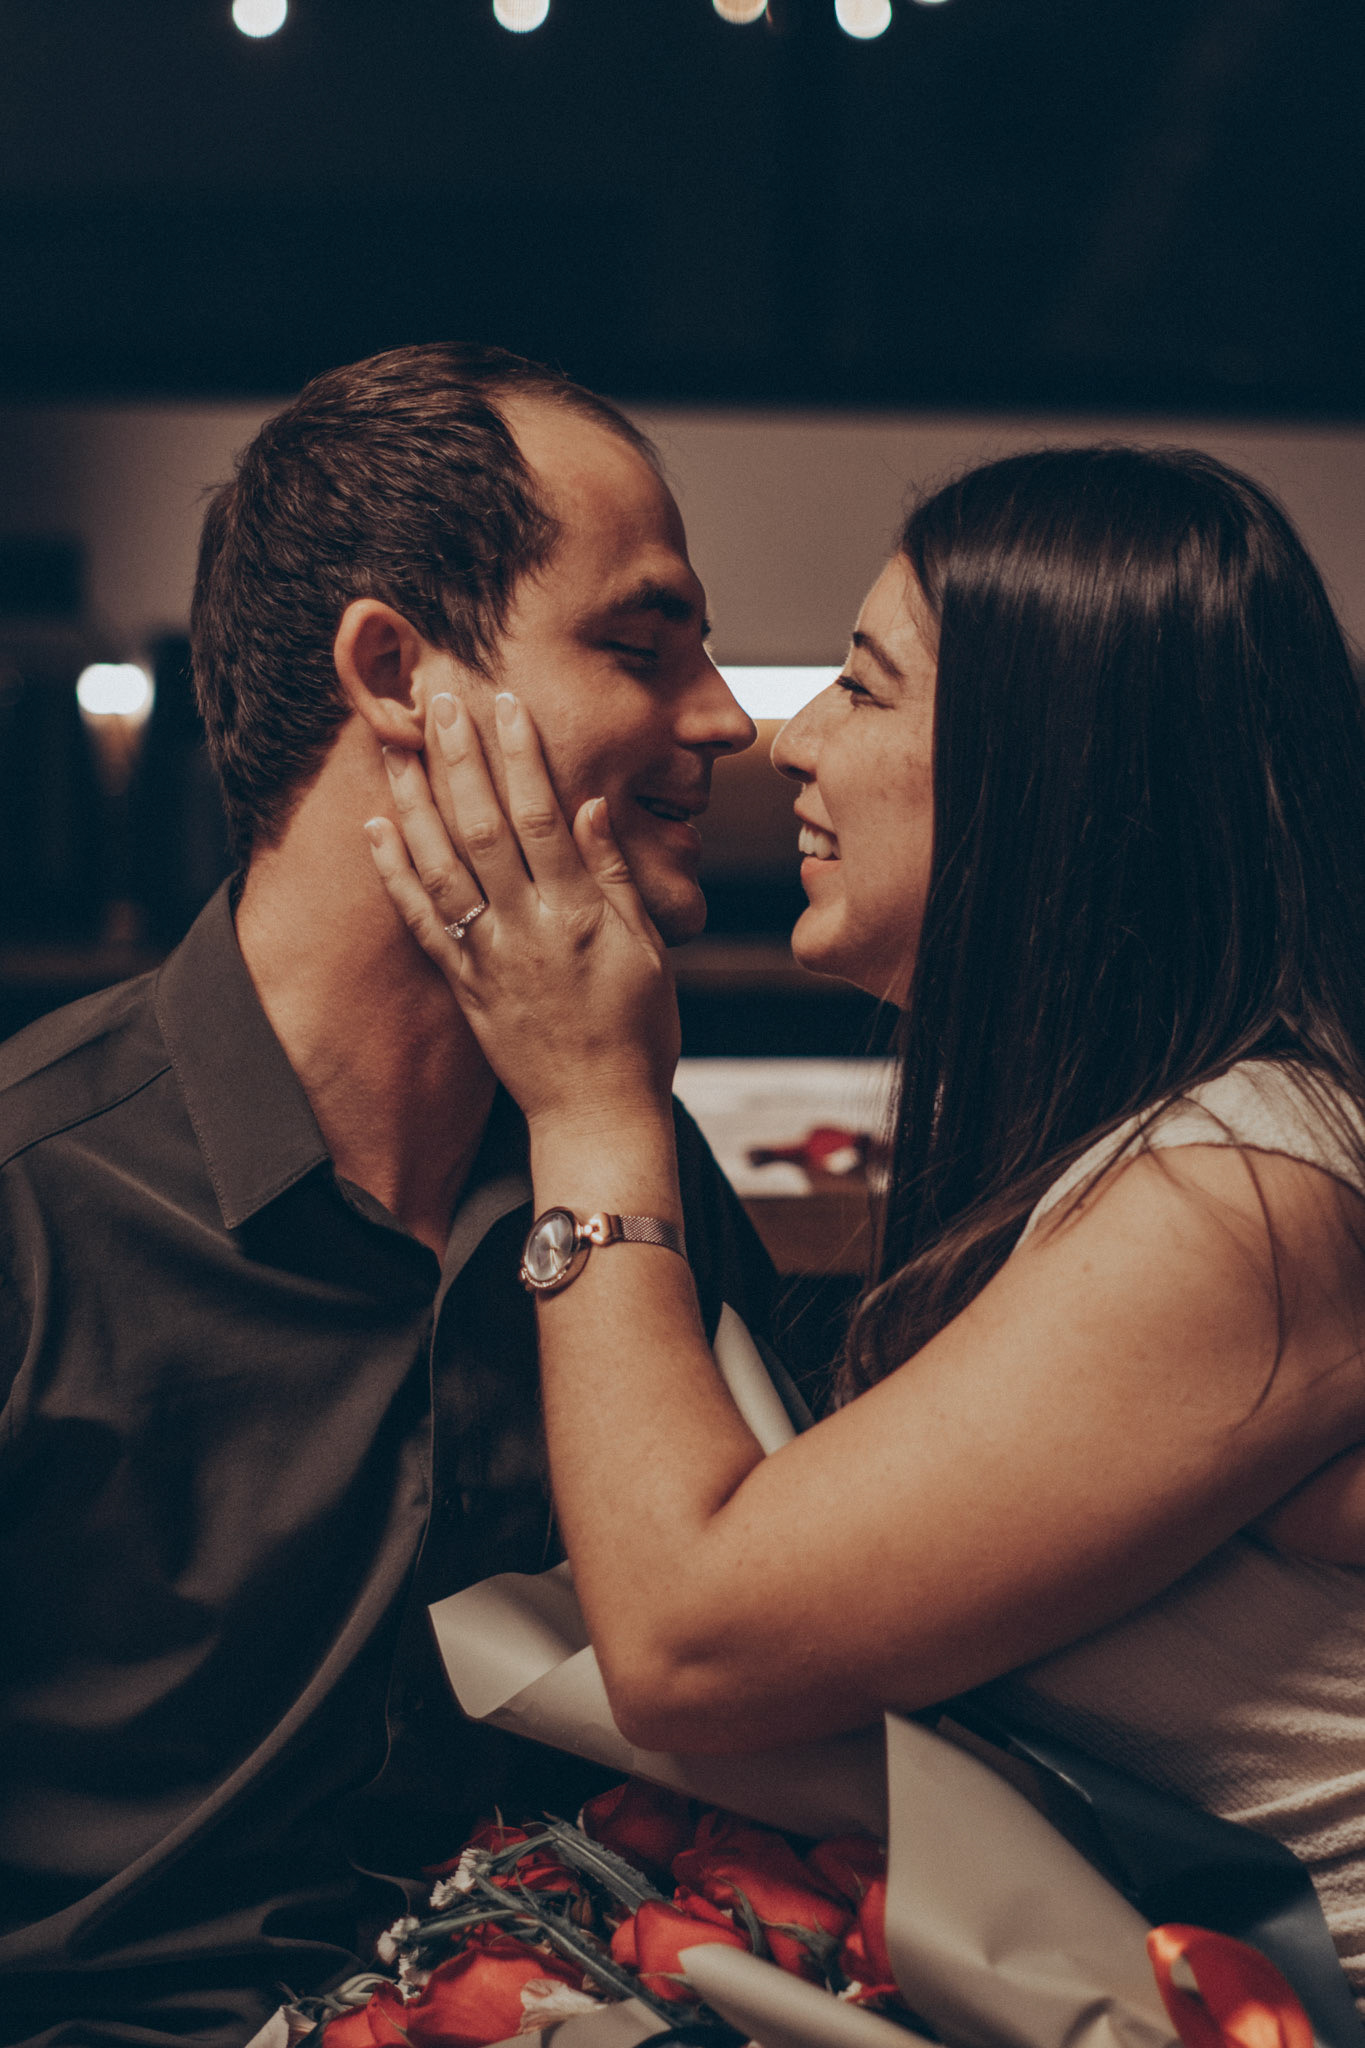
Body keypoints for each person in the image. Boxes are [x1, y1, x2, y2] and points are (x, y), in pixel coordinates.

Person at [371, 444, 1365, 2001]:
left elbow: (686, 1650)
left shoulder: (1242, 1188)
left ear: (1051, 774)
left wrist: (590, 1104)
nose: (791, 739)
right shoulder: (1148, 1160)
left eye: (865, 687)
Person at [0, 343, 772, 2047]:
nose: (724, 717)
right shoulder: (33, 1205)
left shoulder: (626, 1173)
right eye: (642, 647)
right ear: (394, 670)